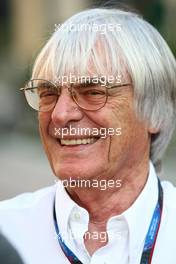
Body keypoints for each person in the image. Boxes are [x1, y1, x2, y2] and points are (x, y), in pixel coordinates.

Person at [0, 6, 176, 264]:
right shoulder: (7, 231)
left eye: (93, 92)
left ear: (155, 112)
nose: (60, 114)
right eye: (48, 94)